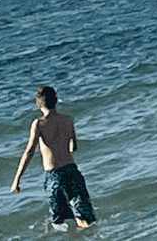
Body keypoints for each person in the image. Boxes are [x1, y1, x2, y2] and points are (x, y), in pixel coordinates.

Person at [11, 86, 97, 229]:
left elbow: (29, 152)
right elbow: (73, 148)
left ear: (38, 105)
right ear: (56, 101)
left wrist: (16, 180)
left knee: (61, 221)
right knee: (84, 217)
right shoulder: (68, 120)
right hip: (72, 170)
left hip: (54, 175)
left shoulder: (38, 124)